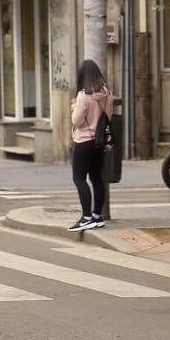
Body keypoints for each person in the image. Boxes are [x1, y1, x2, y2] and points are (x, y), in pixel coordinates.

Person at [67, 59, 111, 233]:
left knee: (79, 178)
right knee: (97, 179)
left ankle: (86, 218)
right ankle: (97, 216)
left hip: (84, 141)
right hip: (100, 142)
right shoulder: (106, 93)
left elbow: (76, 120)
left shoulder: (83, 95)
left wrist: (74, 109)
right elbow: (109, 115)